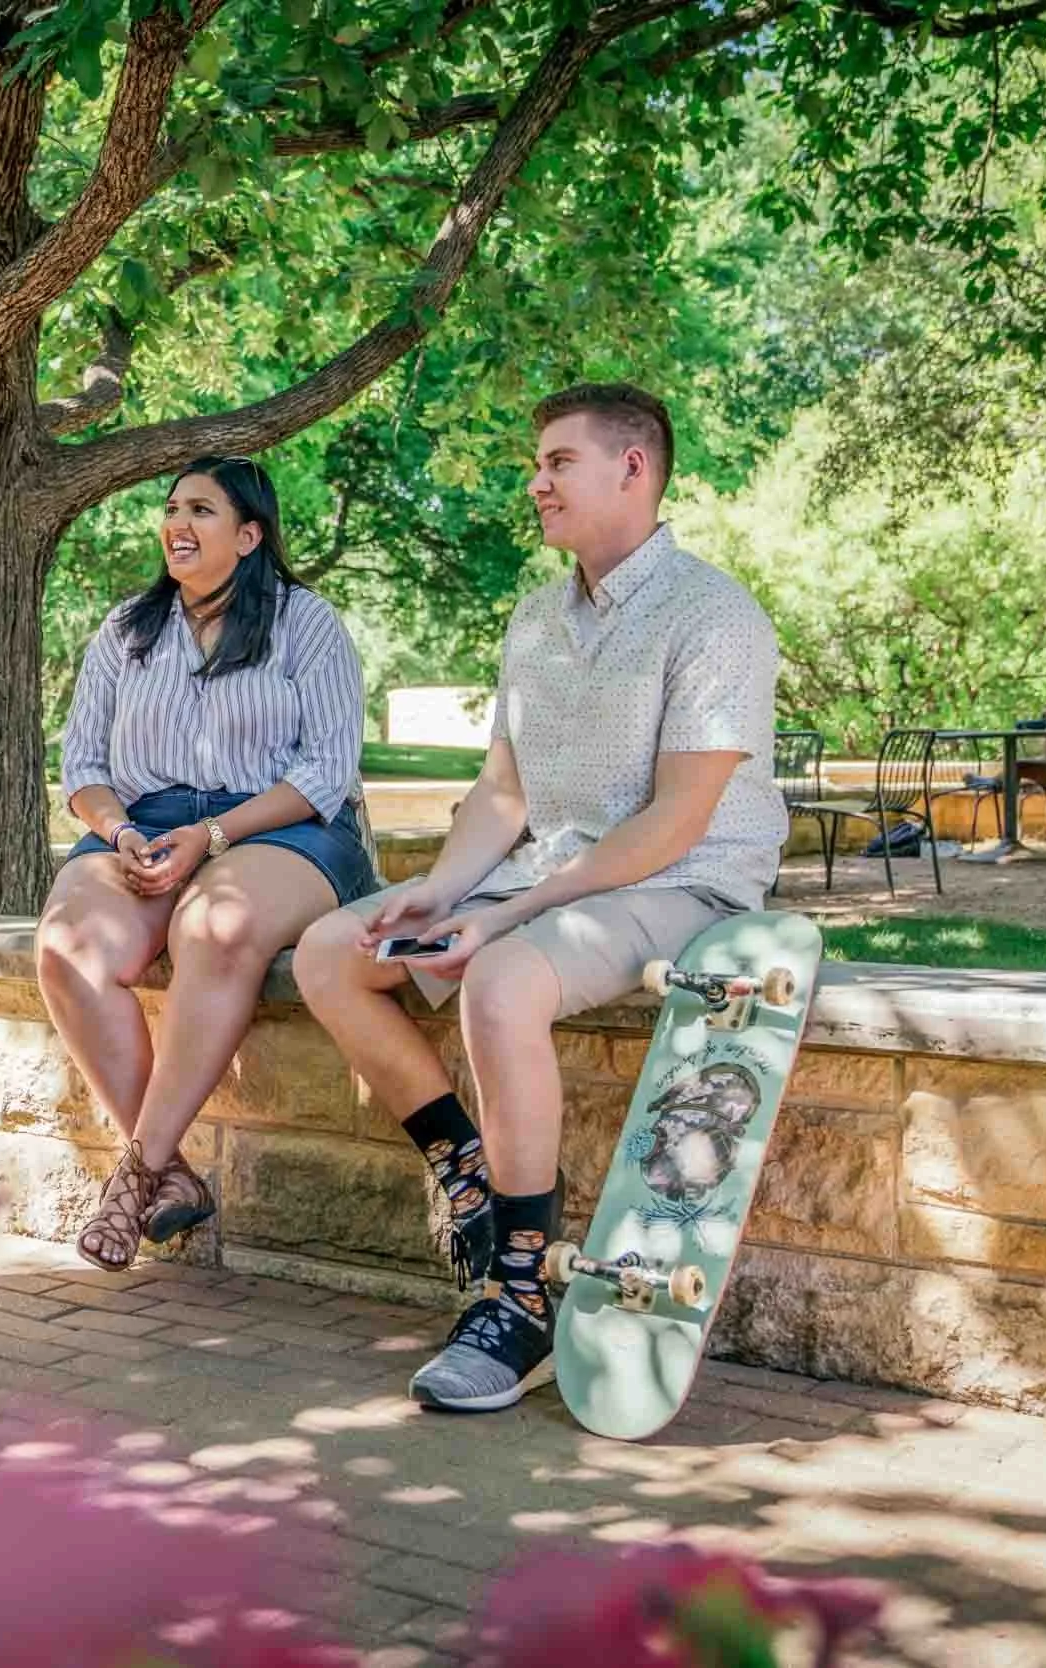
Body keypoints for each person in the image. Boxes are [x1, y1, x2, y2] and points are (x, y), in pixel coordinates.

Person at [293, 384, 786, 1413]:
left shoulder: (715, 616)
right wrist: (438, 891)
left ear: (633, 468)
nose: (536, 482)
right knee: (331, 950)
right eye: (538, 464)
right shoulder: (534, 618)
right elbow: (503, 793)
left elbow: (678, 820)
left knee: (503, 978)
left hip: (685, 881)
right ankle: (469, 1178)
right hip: (550, 874)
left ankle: (519, 1296)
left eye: (559, 462)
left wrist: (504, 916)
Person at [39, 455, 373, 1271]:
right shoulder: (127, 629)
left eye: (201, 510)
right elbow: (83, 767)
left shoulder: (306, 622)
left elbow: (326, 772)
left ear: (249, 536)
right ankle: (173, 1176)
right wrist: (119, 832)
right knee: (68, 950)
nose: (177, 524)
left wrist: (214, 835)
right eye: (172, 508)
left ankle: (134, 1177)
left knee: (212, 930)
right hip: (145, 822)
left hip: (283, 825)